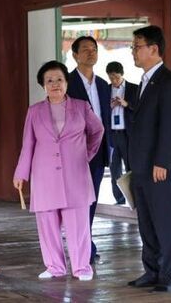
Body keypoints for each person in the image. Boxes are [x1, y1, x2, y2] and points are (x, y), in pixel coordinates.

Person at [13, 60, 104, 281]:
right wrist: (21, 173)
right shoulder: (34, 111)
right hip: (44, 175)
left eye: (59, 79)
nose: (55, 84)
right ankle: (54, 267)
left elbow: (98, 131)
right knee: (47, 223)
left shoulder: (82, 107)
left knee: (78, 225)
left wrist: (85, 155)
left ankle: (82, 268)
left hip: (76, 175)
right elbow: (28, 144)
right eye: (50, 80)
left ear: (66, 82)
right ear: (43, 85)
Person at [127, 25, 171, 293]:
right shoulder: (144, 81)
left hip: (160, 166)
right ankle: (152, 271)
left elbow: (170, 125)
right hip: (141, 165)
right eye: (133, 47)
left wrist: (162, 161)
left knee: (165, 222)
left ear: (154, 49)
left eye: (137, 47)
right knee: (147, 223)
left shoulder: (169, 81)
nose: (133, 52)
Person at [66, 36, 111, 263]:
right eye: (85, 49)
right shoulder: (66, 82)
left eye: (94, 49)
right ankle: (81, 245)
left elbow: (106, 119)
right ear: (75, 55)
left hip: (98, 150)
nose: (91, 53)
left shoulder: (103, 85)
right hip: (73, 151)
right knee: (76, 201)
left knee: (91, 200)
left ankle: (86, 245)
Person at [105, 61, 139, 205]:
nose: (114, 80)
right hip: (112, 135)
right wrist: (110, 107)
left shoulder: (134, 88)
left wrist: (127, 104)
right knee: (114, 169)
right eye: (111, 77)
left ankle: (135, 199)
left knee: (131, 167)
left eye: (116, 77)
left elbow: (141, 109)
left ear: (122, 74)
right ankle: (119, 200)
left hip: (127, 134)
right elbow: (100, 111)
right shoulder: (105, 90)